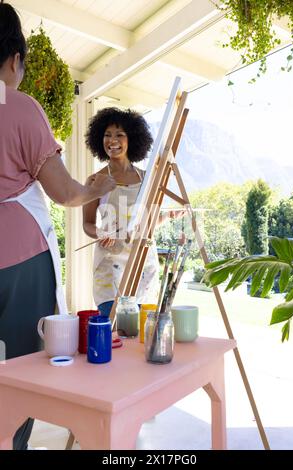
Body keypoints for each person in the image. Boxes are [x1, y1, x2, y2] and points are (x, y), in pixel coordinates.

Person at [0, 1, 115, 450]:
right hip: (18, 260)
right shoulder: (18, 105)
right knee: (23, 370)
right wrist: (96, 185)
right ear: (15, 59)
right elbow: (64, 193)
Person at [84, 107, 162, 317]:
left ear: (132, 139)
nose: (112, 140)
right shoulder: (95, 180)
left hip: (143, 264)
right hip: (110, 268)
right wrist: (100, 232)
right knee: (113, 331)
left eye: (120, 135)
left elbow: (151, 220)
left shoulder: (147, 178)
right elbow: (87, 224)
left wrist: (166, 217)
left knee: (141, 334)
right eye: (107, 135)